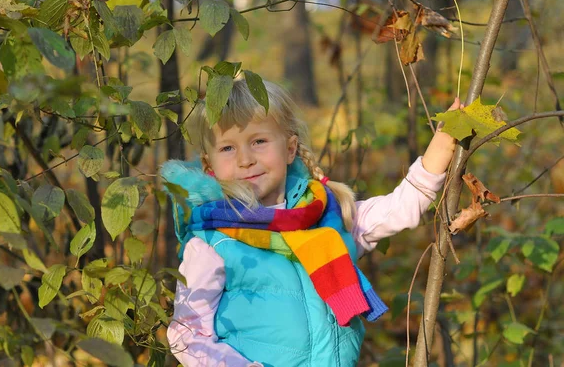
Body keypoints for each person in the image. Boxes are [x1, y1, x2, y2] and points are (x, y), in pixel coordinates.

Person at [160, 79, 460, 366]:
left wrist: (444, 144)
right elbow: (186, 334)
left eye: (259, 141)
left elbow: (401, 208)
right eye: (228, 148)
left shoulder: (325, 218)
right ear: (208, 164)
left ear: (290, 148)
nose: (245, 159)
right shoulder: (212, 242)